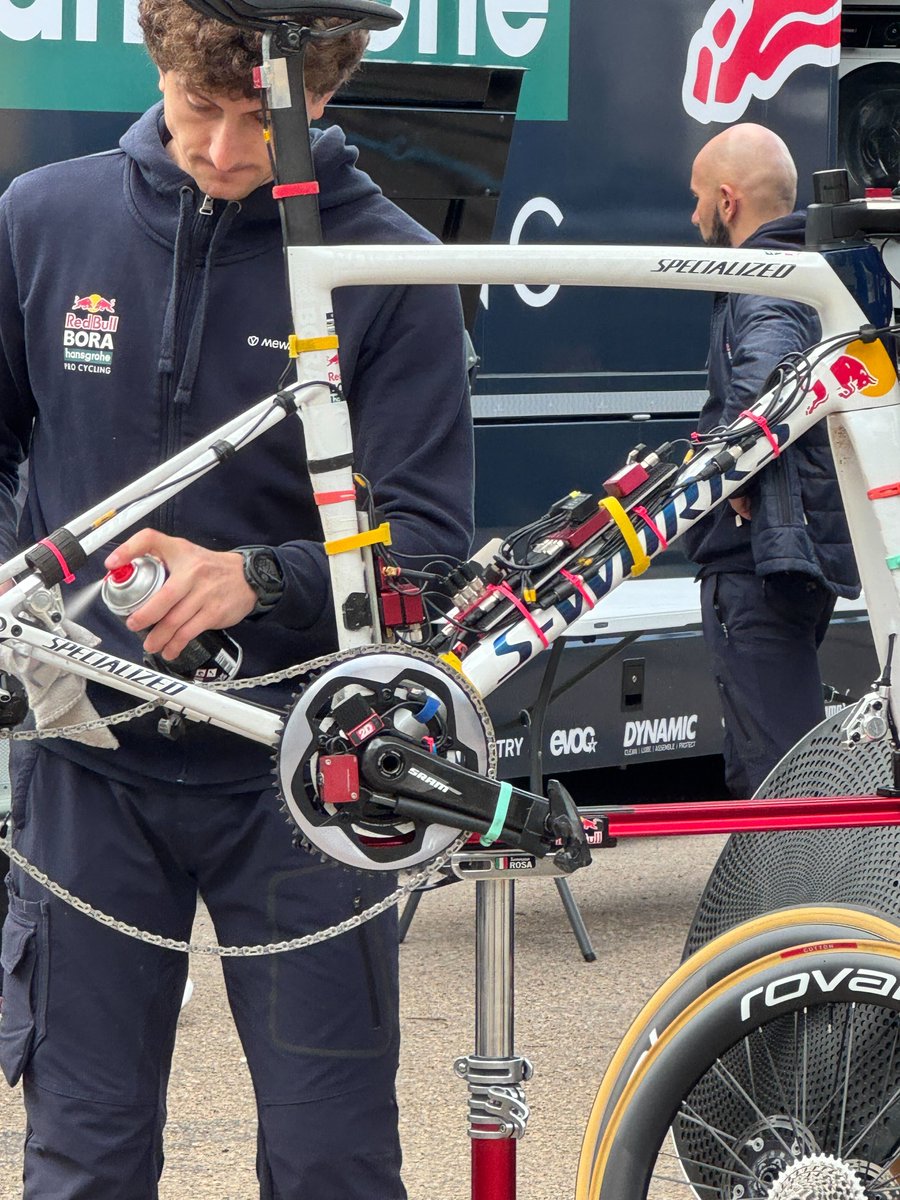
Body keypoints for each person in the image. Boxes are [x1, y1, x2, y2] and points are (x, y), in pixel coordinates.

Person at [0, 3, 474, 1197]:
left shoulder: (392, 271)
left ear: (328, 91)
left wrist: (254, 580)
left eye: (262, 121)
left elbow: (424, 556)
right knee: (82, 1156)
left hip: (305, 770)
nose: (219, 151)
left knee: (332, 1159)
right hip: (86, 758)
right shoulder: (42, 220)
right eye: (195, 110)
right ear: (155, 72)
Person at [681, 123, 860, 799]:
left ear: (727, 201)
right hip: (792, 552)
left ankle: (808, 899)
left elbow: (767, 367)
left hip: (754, 564)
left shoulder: (763, 280)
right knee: (763, 767)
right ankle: (769, 902)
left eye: (697, 199)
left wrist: (735, 460)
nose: (692, 214)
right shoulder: (811, 270)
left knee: (784, 784)